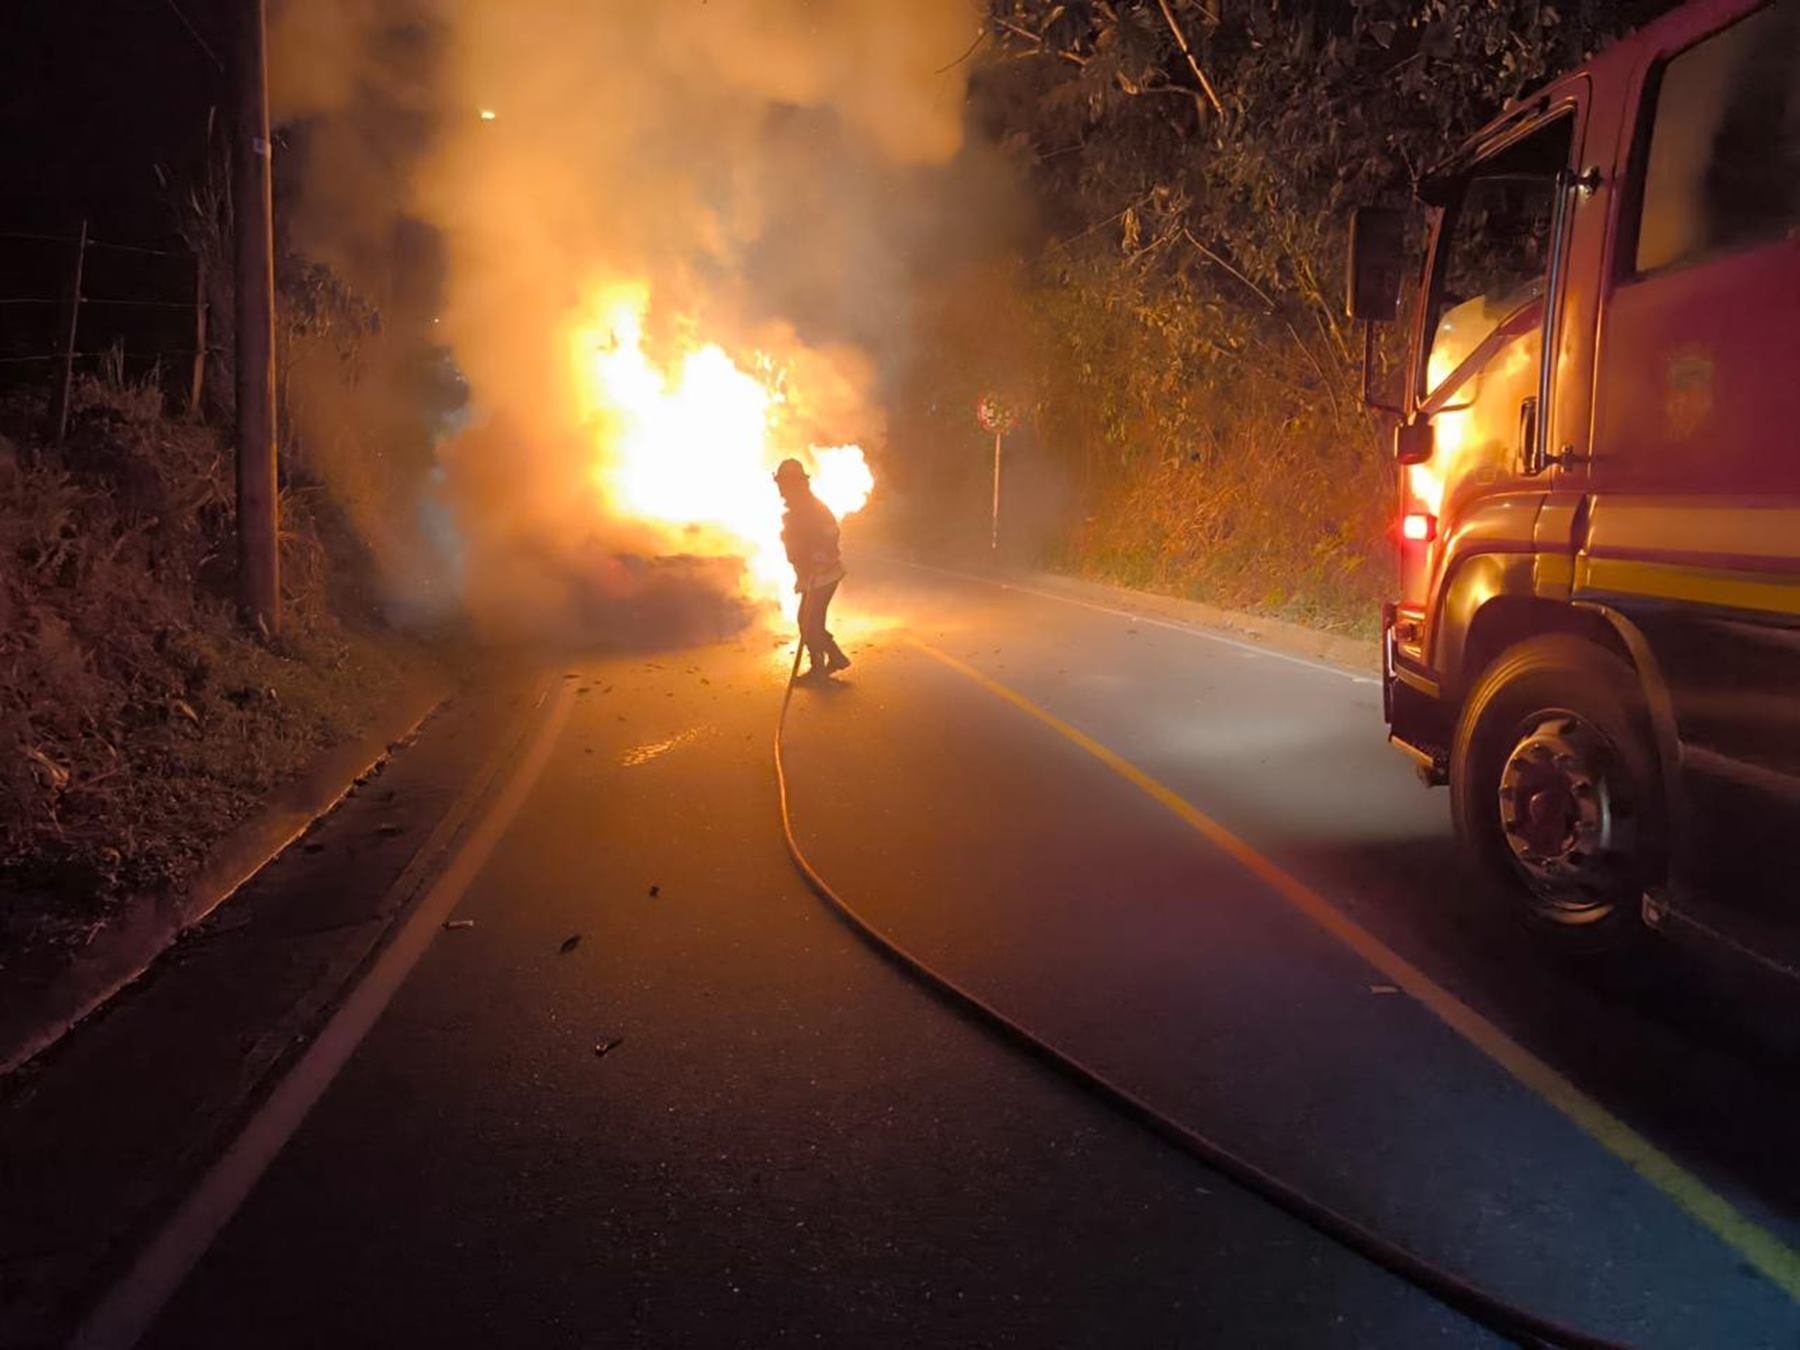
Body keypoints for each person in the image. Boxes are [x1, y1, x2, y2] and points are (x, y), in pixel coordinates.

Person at [774, 458, 850, 679]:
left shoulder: (812, 507)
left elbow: (831, 532)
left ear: (798, 483)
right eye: (780, 483)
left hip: (824, 575)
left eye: (786, 483)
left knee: (808, 622)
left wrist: (821, 554)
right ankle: (833, 659)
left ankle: (824, 665)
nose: (782, 488)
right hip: (812, 575)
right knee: (809, 621)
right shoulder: (797, 507)